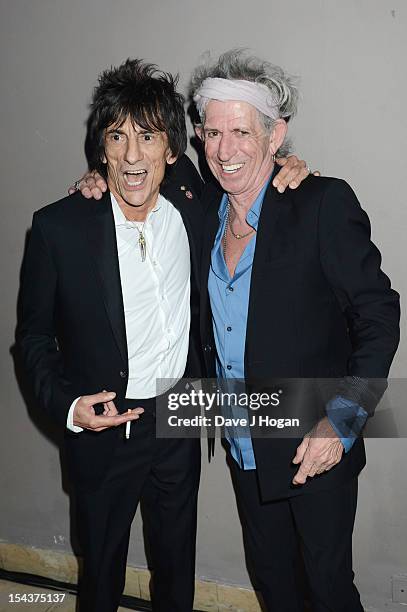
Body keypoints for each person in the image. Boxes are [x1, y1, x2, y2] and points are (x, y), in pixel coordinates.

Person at [17, 58, 309, 612]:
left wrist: (289, 164)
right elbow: (31, 340)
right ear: (99, 148)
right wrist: (71, 406)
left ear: (172, 152)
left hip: (179, 415)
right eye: (117, 136)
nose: (131, 156)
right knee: (100, 574)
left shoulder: (195, 207)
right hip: (105, 424)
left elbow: (248, 173)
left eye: (148, 138)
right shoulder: (59, 229)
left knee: (177, 568)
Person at [191, 50, 400, 611]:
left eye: (241, 131)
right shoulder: (203, 207)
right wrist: (93, 177)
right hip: (244, 445)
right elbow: (135, 173)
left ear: (275, 133)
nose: (225, 149)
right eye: (212, 132)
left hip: (314, 443)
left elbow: (379, 316)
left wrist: (343, 422)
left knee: (328, 590)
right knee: (275, 587)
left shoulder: (321, 202)